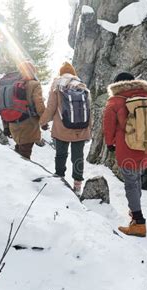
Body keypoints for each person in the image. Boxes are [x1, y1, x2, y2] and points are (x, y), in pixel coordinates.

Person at [103, 72, 147, 237]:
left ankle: (138, 221)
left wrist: (109, 143)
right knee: (136, 180)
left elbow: (108, 125)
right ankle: (134, 211)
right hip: (145, 147)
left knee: (130, 182)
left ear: (117, 84)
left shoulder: (115, 100)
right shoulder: (146, 98)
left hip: (126, 147)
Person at [39, 62, 92, 194]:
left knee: (61, 154)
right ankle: (78, 185)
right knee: (78, 156)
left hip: (62, 127)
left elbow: (51, 106)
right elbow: (88, 109)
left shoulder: (57, 84)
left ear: (61, 72)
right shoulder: (81, 84)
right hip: (81, 128)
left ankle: (59, 178)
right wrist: (88, 129)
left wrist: (43, 122)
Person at [2, 61, 46, 159]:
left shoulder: (10, 85)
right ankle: (21, 172)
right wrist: (44, 121)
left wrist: (6, 126)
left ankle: (16, 168)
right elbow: (39, 104)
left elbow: (4, 106)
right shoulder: (34, 84)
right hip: (28, 124)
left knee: (19, 148)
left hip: (12, 123)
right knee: (25, 153)